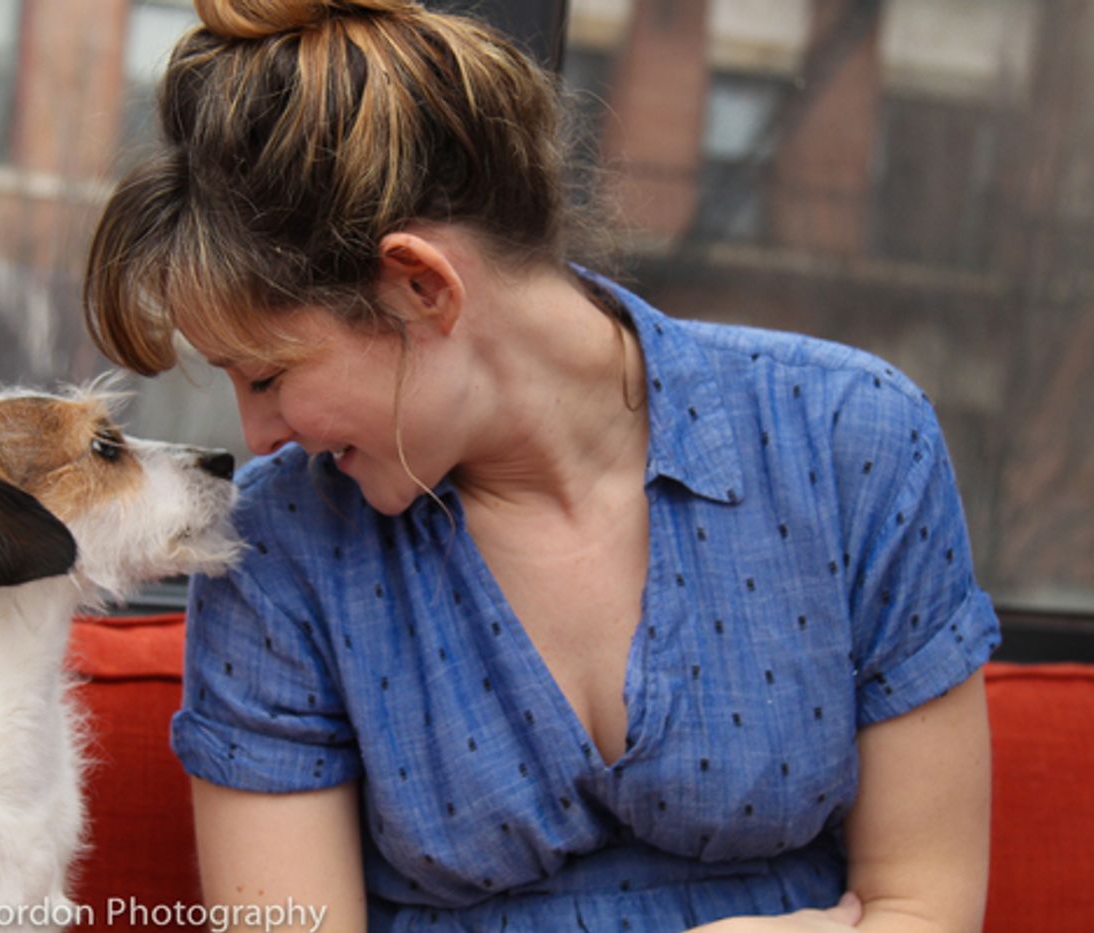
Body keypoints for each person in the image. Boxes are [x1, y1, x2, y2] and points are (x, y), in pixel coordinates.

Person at [83, 1, 1001, 930]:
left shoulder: (851, 438)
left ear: (420, 287)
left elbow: (924, 904)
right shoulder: (281, 545)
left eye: (271, 375)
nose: (263, 433)